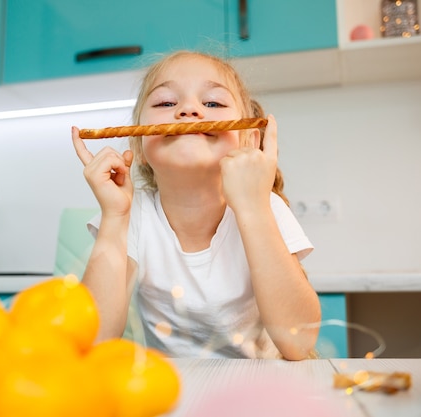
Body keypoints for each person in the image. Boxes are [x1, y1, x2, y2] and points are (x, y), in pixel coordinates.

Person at [71, 50, 320, 360]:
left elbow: (299, 344)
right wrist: (114, 216)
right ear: (139, 145)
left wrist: (253, 209)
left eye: (213, 103)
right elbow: (93, 342)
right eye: (166, 103)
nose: (189, 110)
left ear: (248, 141)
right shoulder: (133, 215)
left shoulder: (265, 206)